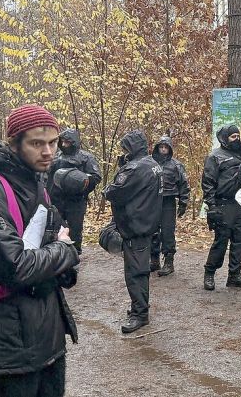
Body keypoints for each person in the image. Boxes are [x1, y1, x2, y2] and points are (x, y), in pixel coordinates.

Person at [0, 104, 80, 397]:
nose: (48, 151)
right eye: (37, 143)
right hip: (9, 344)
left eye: (52, 142)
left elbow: (47, 251)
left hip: (48, 336)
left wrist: (61, 263)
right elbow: (17, 267)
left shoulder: (37, 184)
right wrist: (65, 252)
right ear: (14, 143)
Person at [104, 130, 162, 334]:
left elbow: (113, 192)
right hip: (146, 224)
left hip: (135, 226)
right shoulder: (153, 164)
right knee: (140, 270)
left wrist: (118, 175)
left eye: (126, 148)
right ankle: (139, 308)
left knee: (135, 272)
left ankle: (140, 313)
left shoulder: (135, 168)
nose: (124, 152)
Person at [202, 125, 241, 290]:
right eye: (233, 136)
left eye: (238, 135)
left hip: (240, 204)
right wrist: (211, 206)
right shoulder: (215, 157)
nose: (237, 139)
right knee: (221, 241)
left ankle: (234, 275)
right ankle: (209, 273)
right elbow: (208, 182)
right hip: (222, 203)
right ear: (224, 138)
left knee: (240, 240)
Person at [48, 129, 102, 254]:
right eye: (63, 142)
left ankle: (75, 253)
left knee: (75, 229)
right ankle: (56, 253)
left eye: (68, 142)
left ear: (74, 142)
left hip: (76, 201)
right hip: (56, 199)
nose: (65, 144)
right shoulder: (55, 156)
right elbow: (45, 176)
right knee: (55, 228)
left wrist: (83, 182)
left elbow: (96, 176)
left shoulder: (85, 157)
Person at [150, 135, 190, 276]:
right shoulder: (150, 163)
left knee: (167, 232)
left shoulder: (176, 165)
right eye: (161, 147)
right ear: (156, 148)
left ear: (170, 148)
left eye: (166, 147)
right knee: (152, 231)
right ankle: (154, 260)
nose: (163, 149)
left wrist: (183, 202)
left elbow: (184, 184)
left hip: (168, 201)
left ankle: (169, 262)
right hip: (152, 201)